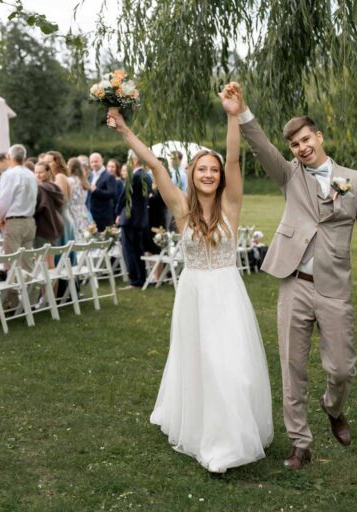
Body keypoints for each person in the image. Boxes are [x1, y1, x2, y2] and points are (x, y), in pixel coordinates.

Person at [220, 82, 357, 469]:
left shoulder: (355, 181)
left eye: (305, 139)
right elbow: (261, 146)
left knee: (341, 369)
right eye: (295, 144)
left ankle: (333, 406)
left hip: (334, 289)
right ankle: (300, 442)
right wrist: (241, 111)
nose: (301, 148)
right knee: (292, 368)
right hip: (294, 283)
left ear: (319, 136)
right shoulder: (289, 175)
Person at [107, 99, 273, 473]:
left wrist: (234, 115)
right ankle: (212, 438)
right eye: (203, 169)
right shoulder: (181, 209)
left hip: (228, 295)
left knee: (233, 367)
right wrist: (124, 130)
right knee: (203, 364)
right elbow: (154, 164)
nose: (210, 174)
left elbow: (233, 159)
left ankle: (232, 437)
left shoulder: (231, 205)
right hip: (195, 296)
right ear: (192, 174)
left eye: (214, 170)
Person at [0, 144, 37, 272]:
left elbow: (4, 200)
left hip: (15, 221)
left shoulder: (9, 174)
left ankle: (13, 291)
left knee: (12, 263)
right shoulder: (31, 174)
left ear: (8, 157)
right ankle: (29, 291)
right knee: (27, 262)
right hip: (29, 220)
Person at [115, 150, 152, 289]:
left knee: (129, 250)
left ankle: (135, 280)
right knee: (138, 250)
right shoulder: (146, 176)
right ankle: (141, 278)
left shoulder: (134, 176)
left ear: (134, 161)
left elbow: (124, 197)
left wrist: (118, 212)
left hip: (130, 218)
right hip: (141, 218)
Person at [33, 161, 65, 249]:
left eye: (41, 172)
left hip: (42, 228)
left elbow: (36, 209)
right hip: (54, 227)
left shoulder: (40, 188)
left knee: (39, 259)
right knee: (50, 260)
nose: (37, 175)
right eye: (35, 172)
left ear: (48, 172)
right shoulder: (56, 188)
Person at [85, 152, 117, 229]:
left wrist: (96, 190)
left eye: (96, 161)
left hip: (103, 215)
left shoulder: (109, 176)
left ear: (102, 161)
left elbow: (112, 194)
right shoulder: (90, 175)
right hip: (90, 213)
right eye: (92, 162)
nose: (94, 164)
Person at [67, 157, 93, 240]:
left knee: (75, 236)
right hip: (83, 210)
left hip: (72, 210)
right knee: (84, 236)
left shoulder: (69, 181)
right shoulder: (84, 181)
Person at [107, 158, 126, 223]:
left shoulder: (119, 182)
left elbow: (120, 199)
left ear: (116, 168)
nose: (110, 169)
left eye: (112, 167)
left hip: (114, 211)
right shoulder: (105, 180)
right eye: (109, 166)